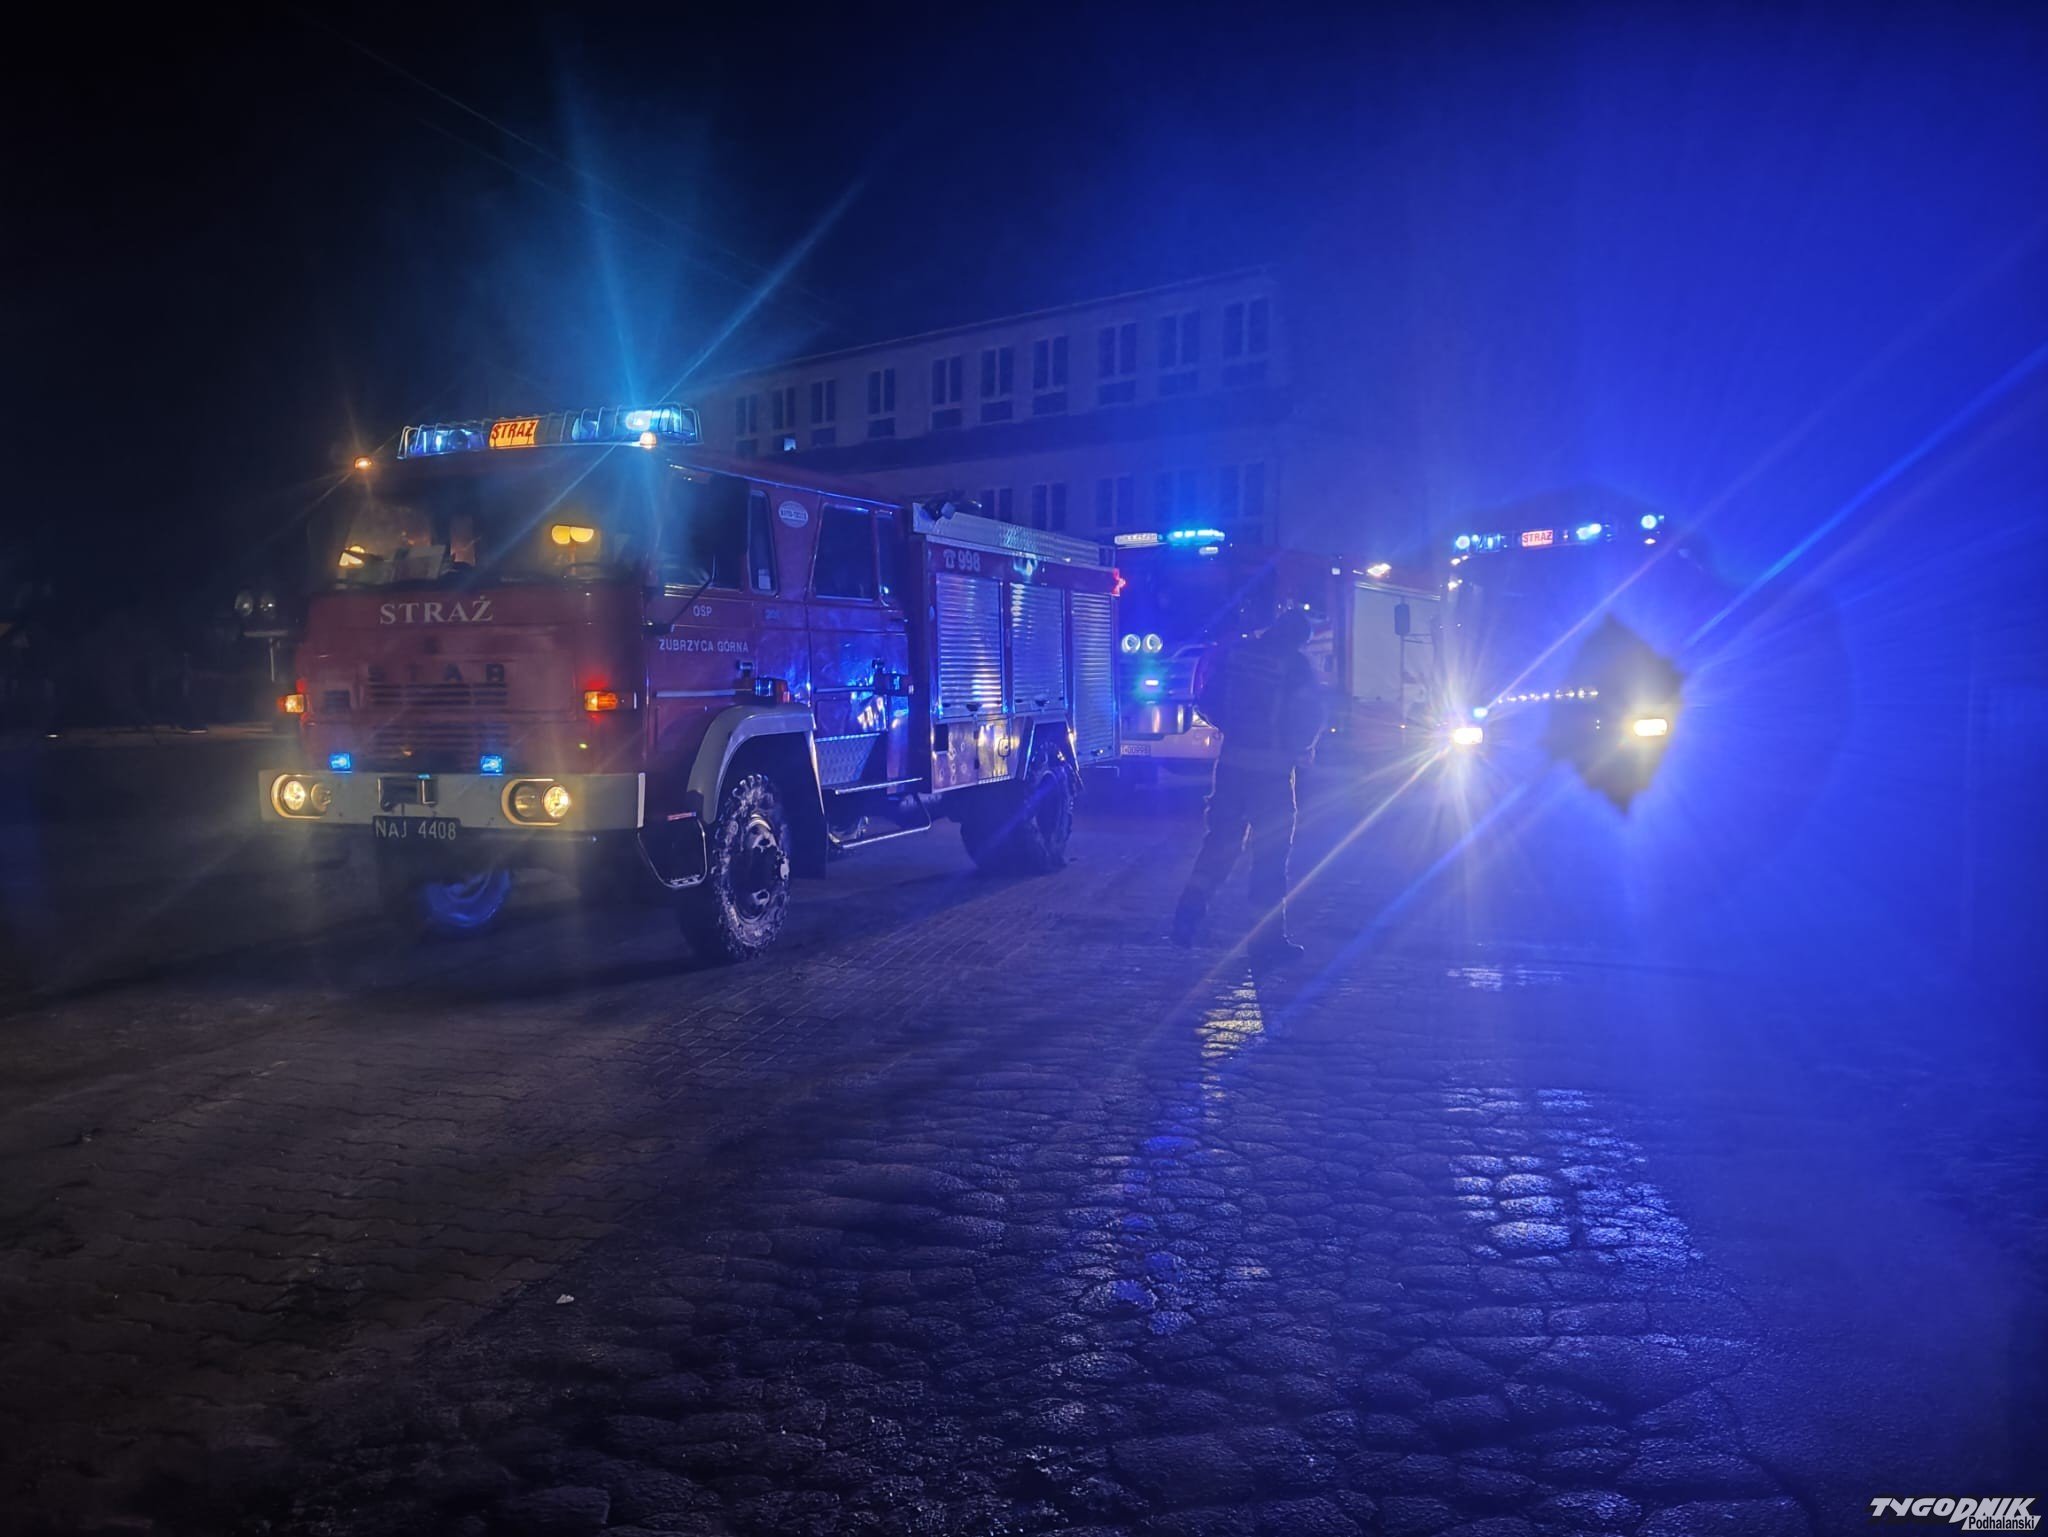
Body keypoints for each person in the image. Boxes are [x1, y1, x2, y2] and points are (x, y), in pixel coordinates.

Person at [1171, 606, 1326, 959]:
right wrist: (1298, 749)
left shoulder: (1237, 656)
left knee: (1220, 843)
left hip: (1231, 767)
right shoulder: (1295, 666)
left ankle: (1188, 915)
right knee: (1271, 855)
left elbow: (1207, 700)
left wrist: (1235, 731)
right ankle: (1266, 940)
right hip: (1271, 775)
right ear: (1297, 639)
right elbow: (1310, 716)